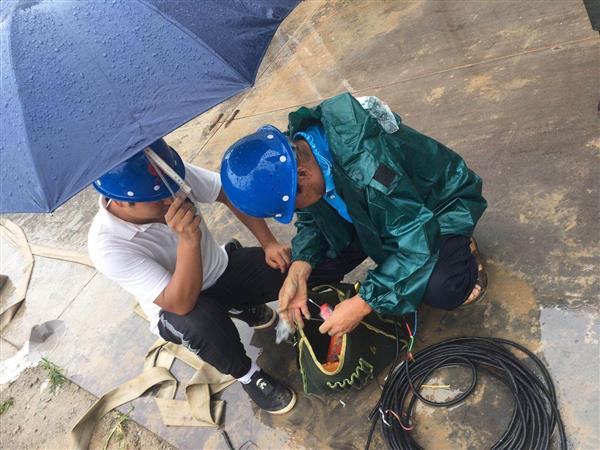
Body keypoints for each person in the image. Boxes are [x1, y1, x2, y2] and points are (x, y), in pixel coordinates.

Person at [220, 93, 488, 337]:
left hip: (437, 208)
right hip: (375, 214)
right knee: (315, 265)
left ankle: (463, 250)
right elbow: (313, 216)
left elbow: (417, 239)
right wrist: (299, 268)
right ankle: (389, 266)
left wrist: (364, 303)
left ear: (301, 174)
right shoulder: (295, 155)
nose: (296, 212)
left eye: (294, 204)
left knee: (444, 289)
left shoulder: (370, 169)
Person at [87, 138, 296, 414]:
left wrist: (268, 242)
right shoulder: (106, 245)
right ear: (123, 203)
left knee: (288, 270)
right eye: (158, 200)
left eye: (172, 190)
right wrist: (188, 239)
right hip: (177, 306)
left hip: (220, 269)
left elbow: (228, 192)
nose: (171, 199)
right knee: (202, 324)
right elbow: (180, 302)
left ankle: (237, 304)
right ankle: (247, 374)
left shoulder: (167, 175)